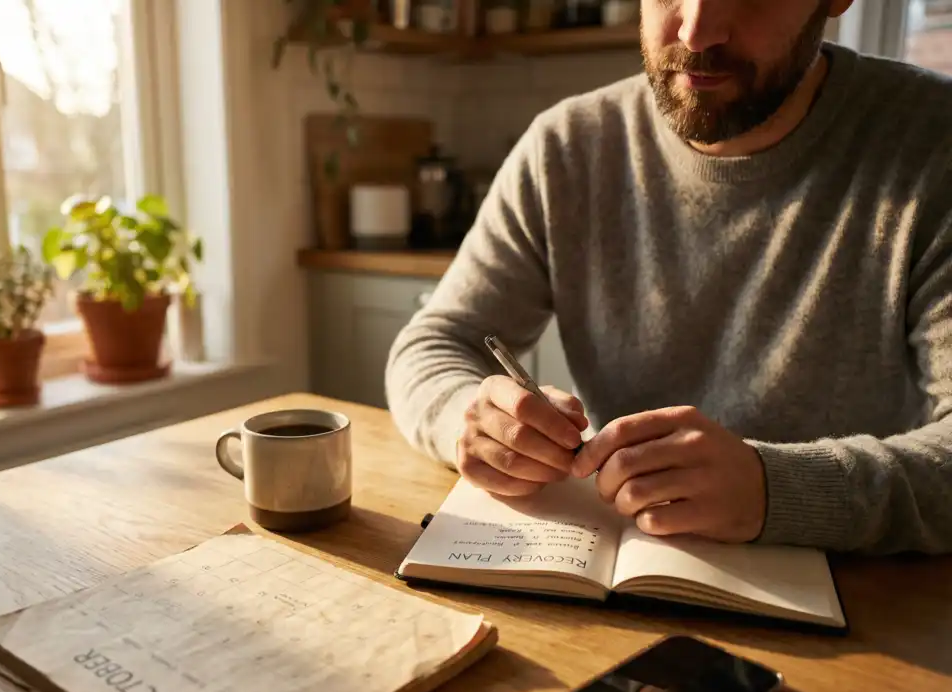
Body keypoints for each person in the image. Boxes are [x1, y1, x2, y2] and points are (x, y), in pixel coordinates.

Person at [384, 0, 952, 556]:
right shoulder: (566, 147)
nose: (697, 29)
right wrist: (475, 417)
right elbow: (434, 343)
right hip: (618, 583)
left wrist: (777, 489)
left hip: (870, 607)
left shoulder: (933, 143)